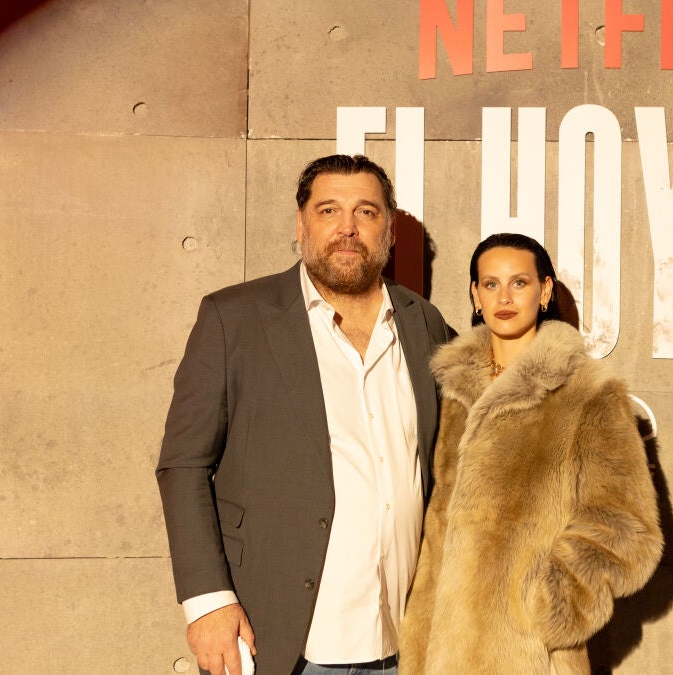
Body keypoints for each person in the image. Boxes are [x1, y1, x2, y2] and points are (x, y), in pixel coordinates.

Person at [156, 154, 454, 675]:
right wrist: (207, 602)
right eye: (329, 210)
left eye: (366, 212)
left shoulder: (422, 322)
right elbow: (184, 464)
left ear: (389, 231)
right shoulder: (235, 318)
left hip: (406, 643)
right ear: (301, 225)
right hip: (279, 639)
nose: (348, 228)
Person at [399, 233, 664, 674]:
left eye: (518, 283)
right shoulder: (448, 391)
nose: (504, 297)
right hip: (439, 647)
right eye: (491, 284)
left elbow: (626, 527)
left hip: (529, 655)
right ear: (475, 296)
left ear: (544, 291)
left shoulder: (587, 393)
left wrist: (550, 606)